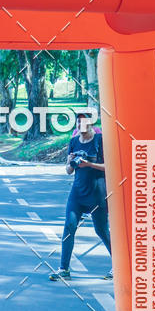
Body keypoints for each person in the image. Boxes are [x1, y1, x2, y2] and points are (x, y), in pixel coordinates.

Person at [49, 111, 112, 281]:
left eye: (84, 123)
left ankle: (119, 266)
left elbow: (110, 167)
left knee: (101, 230)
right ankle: (64, 269)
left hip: (97, 194)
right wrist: (70, 161)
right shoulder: (74, 141)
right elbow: (69, 171)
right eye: (78, 123)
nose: (81, 126)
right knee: (69, 227)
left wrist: (89, 164)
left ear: (92, 124)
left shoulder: (100, 141)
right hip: (77, 193)